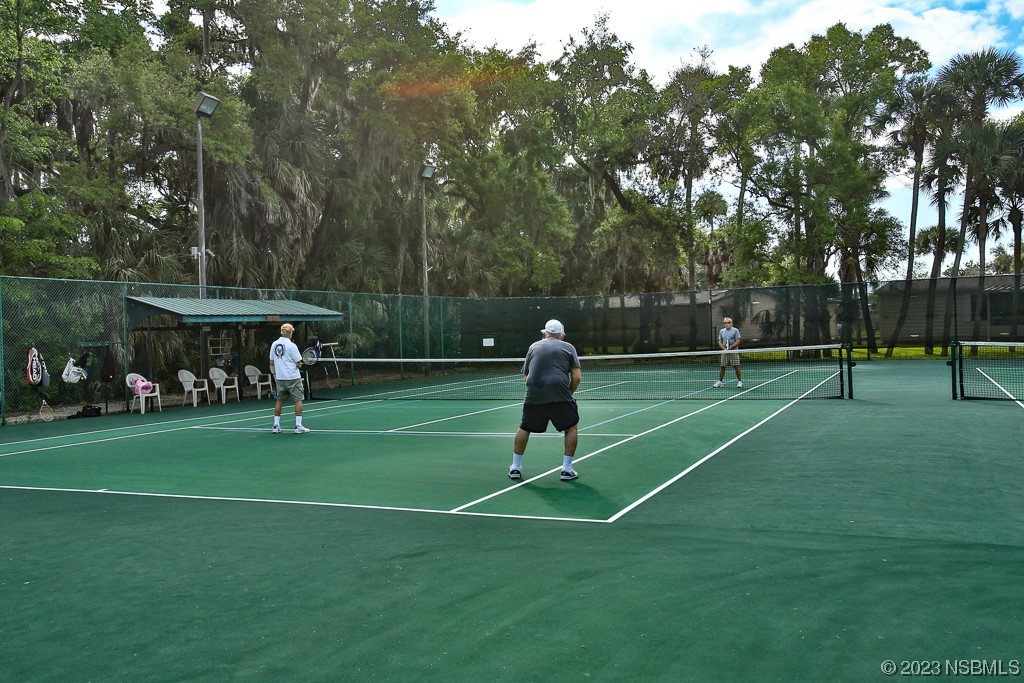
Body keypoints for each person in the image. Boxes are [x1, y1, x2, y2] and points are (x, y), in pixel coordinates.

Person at [509, 319, 582, 481]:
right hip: (560, 394)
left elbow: (526, 376)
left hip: (534, 394)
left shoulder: (533, 347)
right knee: (571, 427)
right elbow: (576, 377)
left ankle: (515, 467)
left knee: (524, 427)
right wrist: (567, 394)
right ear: (562, 334)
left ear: (545, 333)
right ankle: (567, 469)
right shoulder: (569, 347)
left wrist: (538, 389)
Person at [269, 323, 310, 434]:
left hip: (280, 378)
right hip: (293, 377)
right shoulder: (292, 346)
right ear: (290, 333)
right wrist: (299, 364)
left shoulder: (274, 344)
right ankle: (298, 426)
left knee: (279, 401)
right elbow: (298, 363)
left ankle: (276, 426)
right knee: (298, 400)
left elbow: (271, 363)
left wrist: (275, 376)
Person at [713, 317, 743, 388]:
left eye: (729, 322)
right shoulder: (722, 331)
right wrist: (725, 349)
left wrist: (731, 347)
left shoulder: (735, 330)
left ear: (731, 323)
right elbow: (720, 342)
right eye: (725, 323)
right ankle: (720, 382)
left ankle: (739, 381)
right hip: (725, 352)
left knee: (736, 366)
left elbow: (738, 341)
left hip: (734, 352)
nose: (727, 324)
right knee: (723, 367)